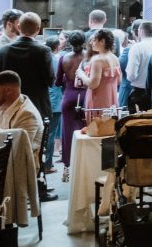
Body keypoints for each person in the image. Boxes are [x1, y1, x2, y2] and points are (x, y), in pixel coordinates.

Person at [0, 70, 47, 179]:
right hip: (5, 159)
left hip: (20, 168)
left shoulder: (27, 114)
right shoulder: (4, 105)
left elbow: (18, 150)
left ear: (8, 91)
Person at [0, 11, 54, 124]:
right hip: (37, 107)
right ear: (38, 29)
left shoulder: (3, 51)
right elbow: (49, 80)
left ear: (19, 27)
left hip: (10, 107)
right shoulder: (43, 51)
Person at [55, 30, 86, 181]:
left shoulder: (64, 58)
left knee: (67, 133)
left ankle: (66, 167)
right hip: (86, 95)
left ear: (69, 43)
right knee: (85, 130)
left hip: (68, 96)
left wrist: (67, 80)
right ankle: (84, 166)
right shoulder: (89, 57)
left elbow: (57, 81)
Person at [77, 29, 121, 115]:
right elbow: (119, 81)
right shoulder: (115, 58)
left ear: (102, 41)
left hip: (97, 103)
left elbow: (93, 84)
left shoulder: (97, 59)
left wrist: (81, 75)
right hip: (112, 102)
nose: (91, 43)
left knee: (96, 127)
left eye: (94, 40)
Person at [125, 20, 152, 113]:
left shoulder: (136, 47)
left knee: (137, 124)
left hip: (139, 94)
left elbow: (131, 75)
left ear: (141, 31)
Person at [45, 35, 64, 174]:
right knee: (50, 133)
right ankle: (47, 164)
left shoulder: (43, 58)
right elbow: (59, 80)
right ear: (57, 47)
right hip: (55, 100)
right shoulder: (55, 60)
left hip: (45, 99)